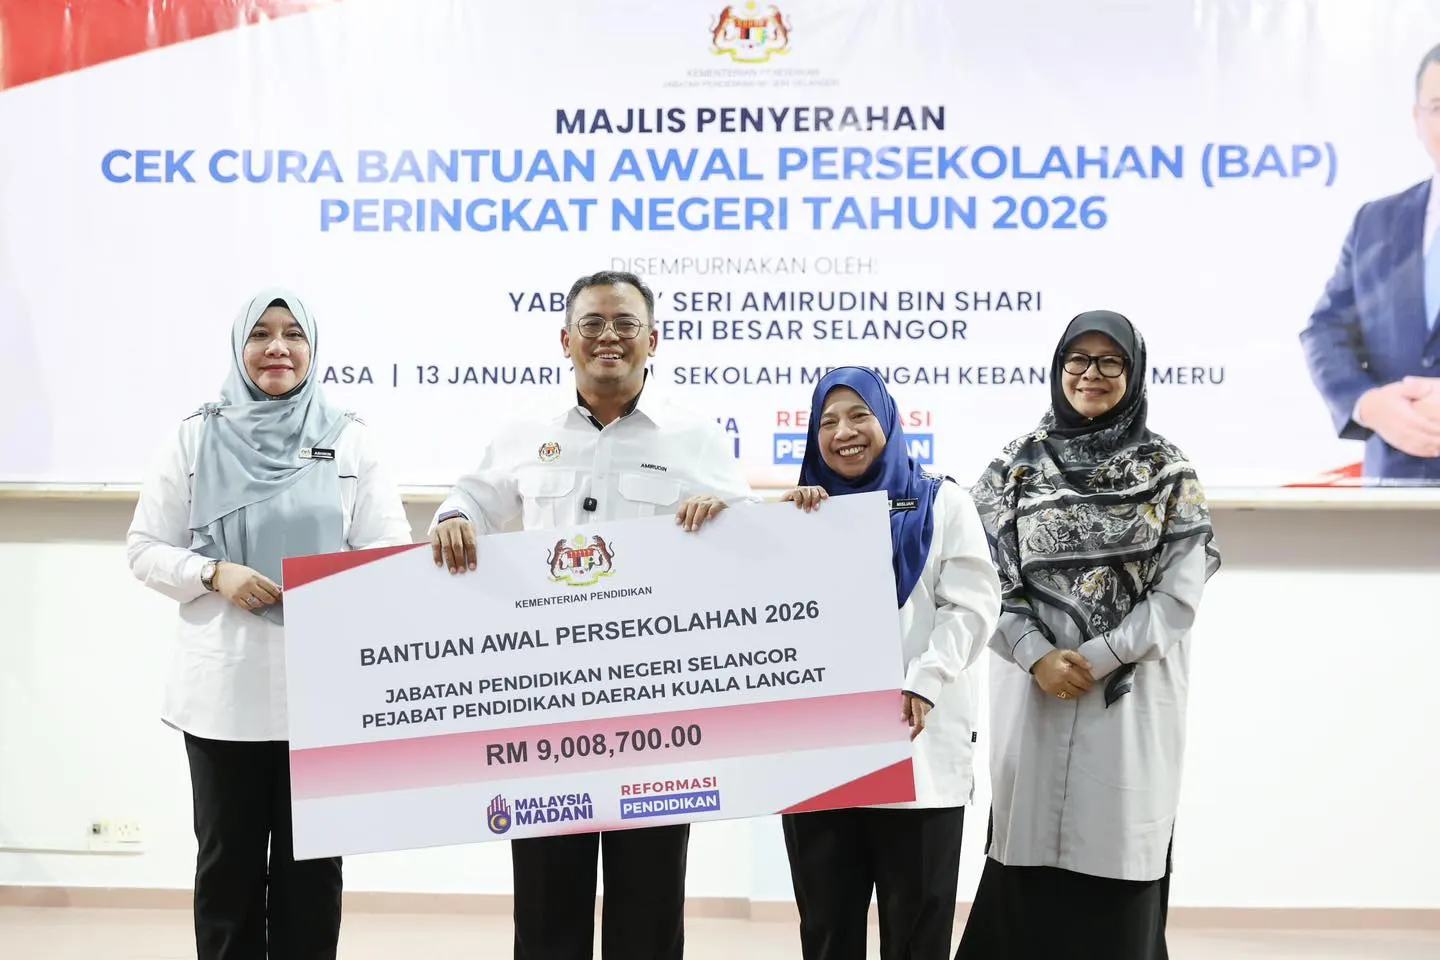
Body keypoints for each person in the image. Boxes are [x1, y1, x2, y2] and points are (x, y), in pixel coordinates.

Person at [428, 270, 757, 960]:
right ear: (565, 340)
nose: (610, 336)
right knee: (547, 901)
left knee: (649, 904)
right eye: (593, 323)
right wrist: (454, 516)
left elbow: (752, 542)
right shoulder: (525, 431)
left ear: (652, 340)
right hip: (547, 706)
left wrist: (728, 516)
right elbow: (473, 498)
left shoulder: (693, 437)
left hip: (655, 710)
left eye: (626, 323)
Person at [125, 289, 412, 960]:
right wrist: (212, 573)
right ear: (239, 347)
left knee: (313, 873)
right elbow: (144, 548)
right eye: (260, 334)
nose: (277, 347)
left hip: (324, 693)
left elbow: (389, 550)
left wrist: (335, 584)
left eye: (292, 334)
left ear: (312, 348)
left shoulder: (351, 439)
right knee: (227, 867)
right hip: (223, 694)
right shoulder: (194, 436)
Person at [955, 310, 1221, 960]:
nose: (1090, 374)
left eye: (1110, 361)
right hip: (1033, 694)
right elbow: (983, 579)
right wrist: (1036, 656)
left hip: (1125, 702)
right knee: (1025, 866)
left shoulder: (1168, 472)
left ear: (1134, 372)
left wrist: (1098, 656)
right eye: (1078, 359)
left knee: (1116, 861)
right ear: (1058, 368)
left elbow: (1178, 596)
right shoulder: (1013, 467)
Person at [775, 367, 1002, 960]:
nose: (843, 432)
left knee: (917, 934)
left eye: (859, 415)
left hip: (916, 752)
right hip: (821, 760)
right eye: (827, 421)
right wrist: (783, 533)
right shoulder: (797, 516)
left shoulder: (944, 503)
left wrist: (924, 682)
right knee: (827, 932)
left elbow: (972, 607)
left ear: (890, 423)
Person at [1299, 41, 1440, 483]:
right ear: (1416, 118)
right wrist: (1366, 403)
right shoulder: (1376, 222)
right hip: (1392, 487)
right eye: (1437, 107)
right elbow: (1325, 330)